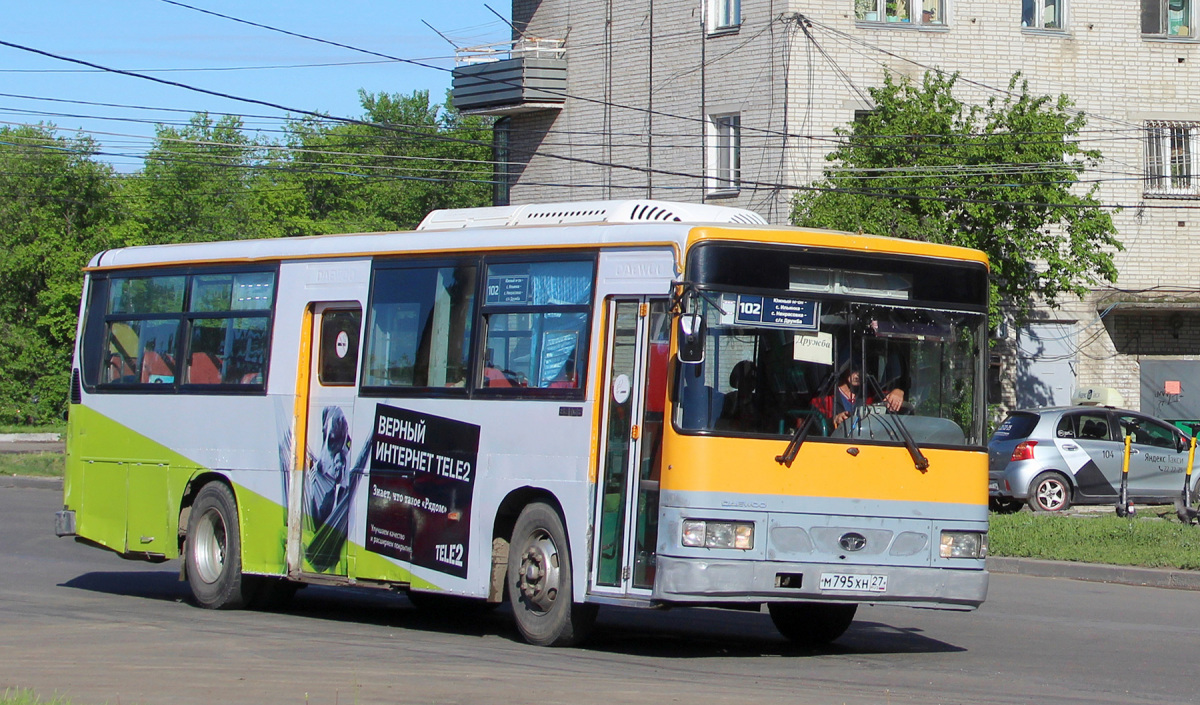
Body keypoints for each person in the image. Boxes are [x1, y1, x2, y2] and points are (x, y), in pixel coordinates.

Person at [812, 367, 904, 430]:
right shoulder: (824, 398)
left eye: (861, 369)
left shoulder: (869, 394)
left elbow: (887, 398)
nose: (858, 374)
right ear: (843, 369)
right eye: (854, 369)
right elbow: (814, 427)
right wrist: (834, 421)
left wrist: (898, 392)